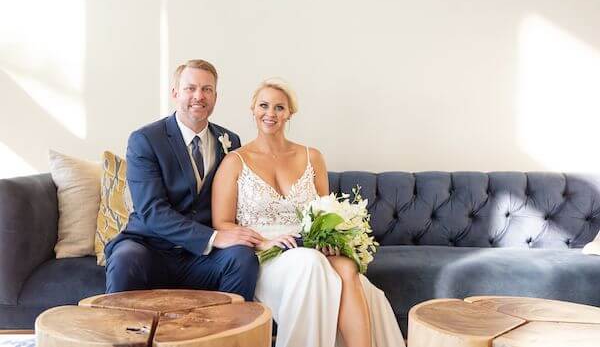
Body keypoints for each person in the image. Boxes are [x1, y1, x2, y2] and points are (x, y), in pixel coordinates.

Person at [212, 79, 405, 347]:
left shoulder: (312, 157)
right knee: (310, 265)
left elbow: (323, 212)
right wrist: (263, 242)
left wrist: (331, 239)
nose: (271, 113)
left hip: (309, 245)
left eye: (279, 107)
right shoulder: (234, 161)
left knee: (351, 273)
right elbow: (221, 223)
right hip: (266, 255)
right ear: (253, 109)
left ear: (290, 113)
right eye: (264, 106)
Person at [104, 59, 263, 301]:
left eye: (207, 89)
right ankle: (122, 337)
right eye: (190, 88)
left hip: (202, 258)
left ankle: (225, 336)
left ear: (215, 97)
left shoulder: (230, 140)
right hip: (149, 247)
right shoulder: (145, 140)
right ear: (175, 93)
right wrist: (212, 237)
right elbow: (152, 211)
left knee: (242, 257)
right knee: (125, 259)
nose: (199, 96)